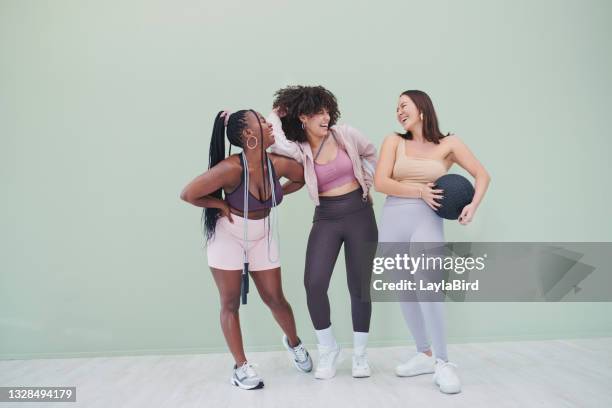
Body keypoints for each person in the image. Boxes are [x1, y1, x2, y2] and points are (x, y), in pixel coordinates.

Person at [180, 109, 312, 390]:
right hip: (228, 237)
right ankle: (240, 367)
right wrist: (220, 205)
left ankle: (295, 343)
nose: (269, 124)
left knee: (275, 299)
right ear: (249, 135)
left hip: (261, 235)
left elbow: (302, 177)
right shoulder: (231, 168)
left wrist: (278, 194)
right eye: (262, 122)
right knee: (230, 303)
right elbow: (188, 193)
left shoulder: (277, 163)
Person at [374, 90, 491, 394]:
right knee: (404, 290)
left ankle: (443, 362)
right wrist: (419, 192)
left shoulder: (449, 144)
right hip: (393, 219)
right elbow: (381, 182)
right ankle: (423, 353)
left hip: (427, 221)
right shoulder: (393, 141)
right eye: (396, 107)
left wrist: (472, 207)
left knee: (429, 288)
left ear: (422, 109)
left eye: (404, 105)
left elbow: (482, 175)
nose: (399, 111)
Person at [267, 86, 378, 379]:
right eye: (318, 112)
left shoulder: (346, 135)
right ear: (303, 117)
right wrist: (277, 115)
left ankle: (361, 356)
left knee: (360, 287)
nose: (326, 117)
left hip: (360, 213)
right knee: (314, 284)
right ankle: (328, 349)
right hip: (327, 216)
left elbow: (371, 154)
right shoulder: (298, 147)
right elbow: (275, 140)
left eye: (328, 111)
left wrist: (367, 181)